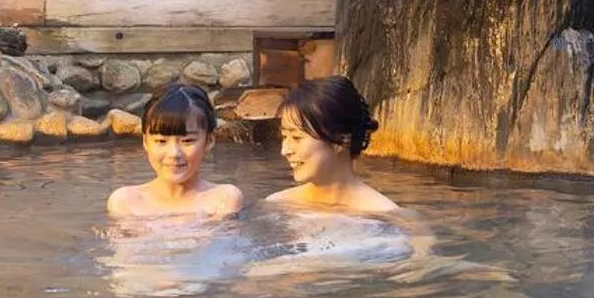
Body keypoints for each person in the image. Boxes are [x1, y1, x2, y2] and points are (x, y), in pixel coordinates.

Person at [105, 83, 243, 220]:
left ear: (209, 141)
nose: (174, 153)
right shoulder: (125, 202)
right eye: (161, 141)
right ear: (145, 141)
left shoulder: (223, 199)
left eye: (187, 141)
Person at [264, 76, 399, 213]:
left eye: (297, 137)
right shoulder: (277, 205)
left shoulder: (384, 215)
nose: (285, 150)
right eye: (284, 136)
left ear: (342, 140)